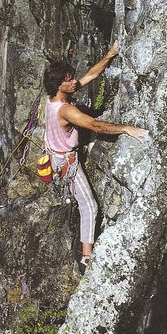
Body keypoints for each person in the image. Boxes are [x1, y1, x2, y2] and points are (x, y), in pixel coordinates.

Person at [43, 40, 148, 274]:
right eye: (69, 80)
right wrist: (125, 129)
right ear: (60, 85)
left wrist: (110, 54)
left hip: (54, 156)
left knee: (82, 202)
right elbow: (94, 125)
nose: (74, 82)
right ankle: (86, 257)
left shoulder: (51, 99)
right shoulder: (66, 110)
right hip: (66, 162)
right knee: (89, 205)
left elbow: (90, 76)